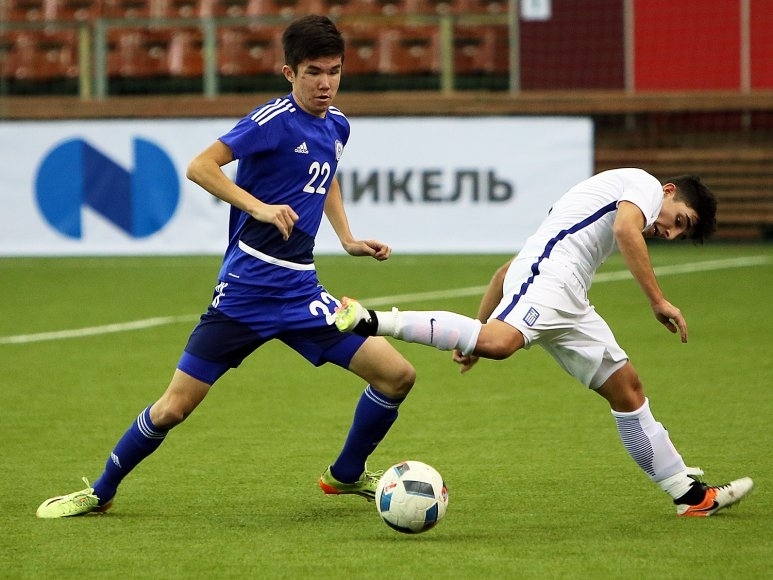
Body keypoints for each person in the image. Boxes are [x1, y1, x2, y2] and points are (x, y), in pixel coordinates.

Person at [36, 15, 415, 518]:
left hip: (301, 292)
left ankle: (345, 474)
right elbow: (200, 166)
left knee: (397, 375)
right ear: (289, 73)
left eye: (335, 71)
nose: (326, 83)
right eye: (313, 72)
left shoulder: (338, 124)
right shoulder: (271, 121)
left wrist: (346, 238)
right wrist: (258, 207)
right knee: (173, 408)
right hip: (245, 293)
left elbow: (325, 177)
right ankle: (101, 491)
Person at [335, 168, 754, 517]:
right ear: (668, 191)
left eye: (681, 233)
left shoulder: (585, 214)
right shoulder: (644, 186)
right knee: (501, 344)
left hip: (570, 295)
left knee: (627, 390)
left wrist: (474, 333)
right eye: (680, 220)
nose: (672, 233)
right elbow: (626, 230)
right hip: (555, 280)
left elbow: (507, 273)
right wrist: (658, 300)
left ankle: (689, 496)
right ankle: (371, 319)